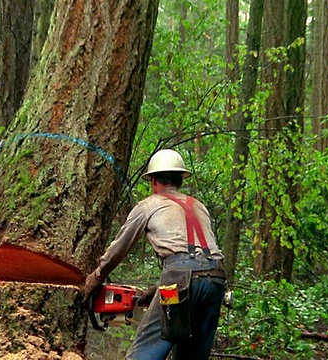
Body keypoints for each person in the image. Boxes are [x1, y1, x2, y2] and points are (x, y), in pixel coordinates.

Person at [84, 149, 226, 360]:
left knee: (144, 352)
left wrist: (96, 278)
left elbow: (119, 248)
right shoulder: (199, 206)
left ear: (153, 180)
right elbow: (197, 262)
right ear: (179, 179)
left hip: (178, 282)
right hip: (216, 281)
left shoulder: (148, 205)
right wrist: (156, 290)